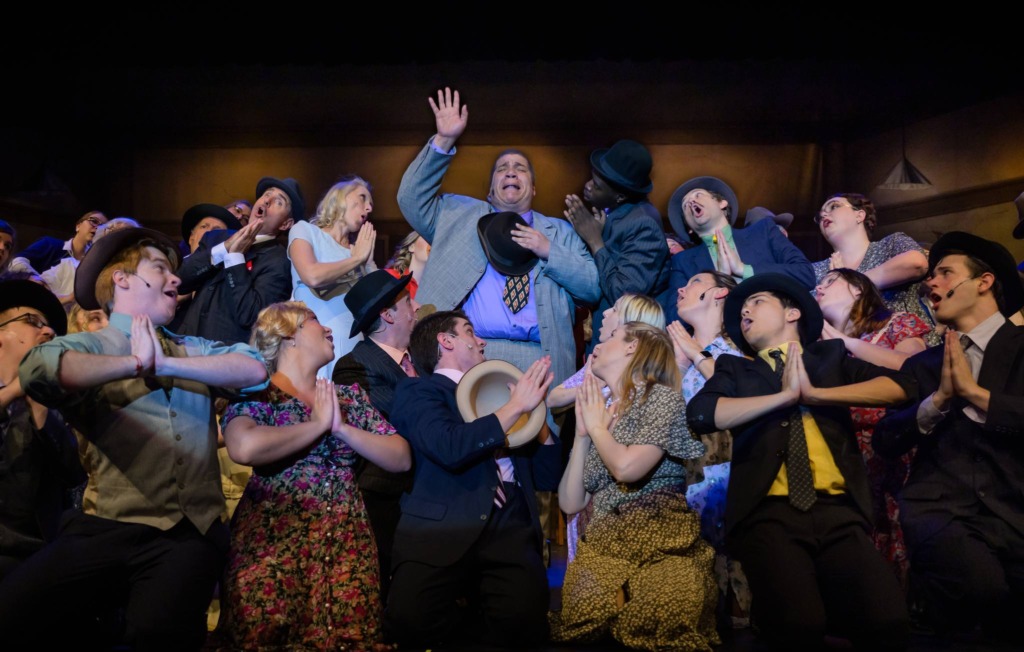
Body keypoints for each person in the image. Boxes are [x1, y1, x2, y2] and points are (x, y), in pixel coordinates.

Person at [0, 228, 268, 650]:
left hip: (187, 533)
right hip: (106, 526)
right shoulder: (87, 345)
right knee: (14, 610)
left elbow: (254, 368)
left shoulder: (189, 348)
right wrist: (132, 363)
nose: (176, 279)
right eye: (161, 268)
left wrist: (164, 362)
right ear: (122, 280)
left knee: (156, 633)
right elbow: (39, 370)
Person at [687, 273, 913, 650]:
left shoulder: (830, 357)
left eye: (757, 301)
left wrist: (815, 395)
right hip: (769, 514)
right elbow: (702, 413)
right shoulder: (736, 369)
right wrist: (784, 398)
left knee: (888, 621)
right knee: (798, 626)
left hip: (838, 512)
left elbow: (902, 388)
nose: (745, 310)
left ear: (792, 312)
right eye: (741, 309)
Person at [219, 301, 410, 650]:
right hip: (275, 540)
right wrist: (316, 425)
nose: (328, 329)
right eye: (315, 322)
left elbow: (400, 457)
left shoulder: (346, 398)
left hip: (345, 542)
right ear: (287, 334)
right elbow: (244, 447)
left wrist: (341, 429)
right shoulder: (258, 394)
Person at [874, 232, 1024, 641]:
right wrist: (936, 401)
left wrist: (976, 395)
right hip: (939, 510)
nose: (931, 282)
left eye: (945, 273)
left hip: (1014, 511)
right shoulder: (924, 364)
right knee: (980, 593)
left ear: (984, 282)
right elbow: (886, 440)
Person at [396, 87, 599, 386]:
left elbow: (592, 288)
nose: (511, 172)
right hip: (472, 353)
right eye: (502, 168)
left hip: (542, 359)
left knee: (540, 434)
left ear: (533, 189)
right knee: (474, 433)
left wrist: (548, 250)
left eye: (521, 169)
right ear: (491, 191)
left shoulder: (561, 233)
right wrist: (444, 140)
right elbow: (410, 199)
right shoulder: (458, 215)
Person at [385, 310, 560, 648]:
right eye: (469, 331)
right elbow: (448, 446)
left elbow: (548, 476)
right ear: (445, 340)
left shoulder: (508, 396)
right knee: (411, 621)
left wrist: (536, 417)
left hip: (510, 522)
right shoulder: (419, 391)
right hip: (443, 524)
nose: (481, 341)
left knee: (524, 625)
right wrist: (514, 408)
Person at [552, 322, 719, 650]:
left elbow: (627, 467)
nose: (598, 343)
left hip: (662, 545)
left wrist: (598, 429)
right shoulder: (600, 411)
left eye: (611, 336)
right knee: (581, 621)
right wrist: (582, 436)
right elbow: (570, 503)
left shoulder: (661, 399)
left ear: (632, 347)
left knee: (663, 612)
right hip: (605, 550)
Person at [815, 267, 931, 587]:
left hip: (891, 450)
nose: (818, 288)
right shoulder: (816, 345)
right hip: (844, 457)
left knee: (895, 535)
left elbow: (910, 368)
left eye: (828, 281)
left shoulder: (896, 322)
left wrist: (844, 342)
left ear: (856, 289)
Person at [668, 270, 751, 627]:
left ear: (718, 294)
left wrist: (692, 351)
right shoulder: (672, 353)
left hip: (729, 482)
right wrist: (678, 362)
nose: (682, 288)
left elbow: (742, 393)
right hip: (680, 482)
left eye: (695, 283)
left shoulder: (741, 349)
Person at [332, 270, 420, 599]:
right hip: (385, 497)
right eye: (408, 301)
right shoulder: (354, 365)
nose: (416, 307)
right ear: (387, 314)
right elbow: (395, 419)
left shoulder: (420, 362)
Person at [0, 280, 80, 580]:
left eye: (50, 327)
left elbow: (74, 476)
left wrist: (39, 402)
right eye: (32, 322)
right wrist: (11, 392)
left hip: (37, 562)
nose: (48, 331)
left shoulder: (60, 406)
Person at [563, 139, 670, 351]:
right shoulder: (618, 213)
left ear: (620, 196)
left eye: (598, 186)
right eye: (592, 178)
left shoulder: (644, 223)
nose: (588, 186)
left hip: (623, 348)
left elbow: (622, 294)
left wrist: (596, 242)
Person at [664, 176, 813, 320]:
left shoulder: (763, 231)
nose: (691, 201)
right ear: (689, 228)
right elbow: (674, 316)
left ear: (722, 203)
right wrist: (719, 283)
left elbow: (805, 274)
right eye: (685, 205)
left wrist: (744, 269)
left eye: (698, 195)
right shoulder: (682, 261)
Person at [176, 177, 300, 345]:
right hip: (186, 343)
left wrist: (235, 258)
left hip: (226, 355)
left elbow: (252, 317)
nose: (267, 200)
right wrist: (225, 249)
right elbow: (181, 281)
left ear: (286, 224)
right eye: (266, 194)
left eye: (278, 202)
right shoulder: (216, 237)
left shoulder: (279, 261)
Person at [812, 193, 934, 340]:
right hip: (845, 356)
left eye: (834, 206)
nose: (824, 214)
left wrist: (850, 282)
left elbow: (916, 264)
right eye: (820, 215)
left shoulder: (890, 244)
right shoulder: (814, 270)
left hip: (907, 349)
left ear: (860, 215)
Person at [288, 176, 377, 375]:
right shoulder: (305, 231)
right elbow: (312, 276)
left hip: (353, 348)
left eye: (371, 205)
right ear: (339, 197)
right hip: (314, 345)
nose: (369, 208)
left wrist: (369, 263)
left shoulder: (359, 251)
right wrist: (356, 260)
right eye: (363, 198)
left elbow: (378, 303)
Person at [9, 210, 107, 276]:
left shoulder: (95, 264)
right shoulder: (50, 244)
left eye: (104, 227)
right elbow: (16, 262)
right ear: (78, 226)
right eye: (94, 221)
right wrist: (37, 280)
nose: (98, 228)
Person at [384, 230, 430, 299]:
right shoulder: (392, 277)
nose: (431, 244)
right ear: (411, 247)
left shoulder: (435, 288)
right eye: (427, 238)